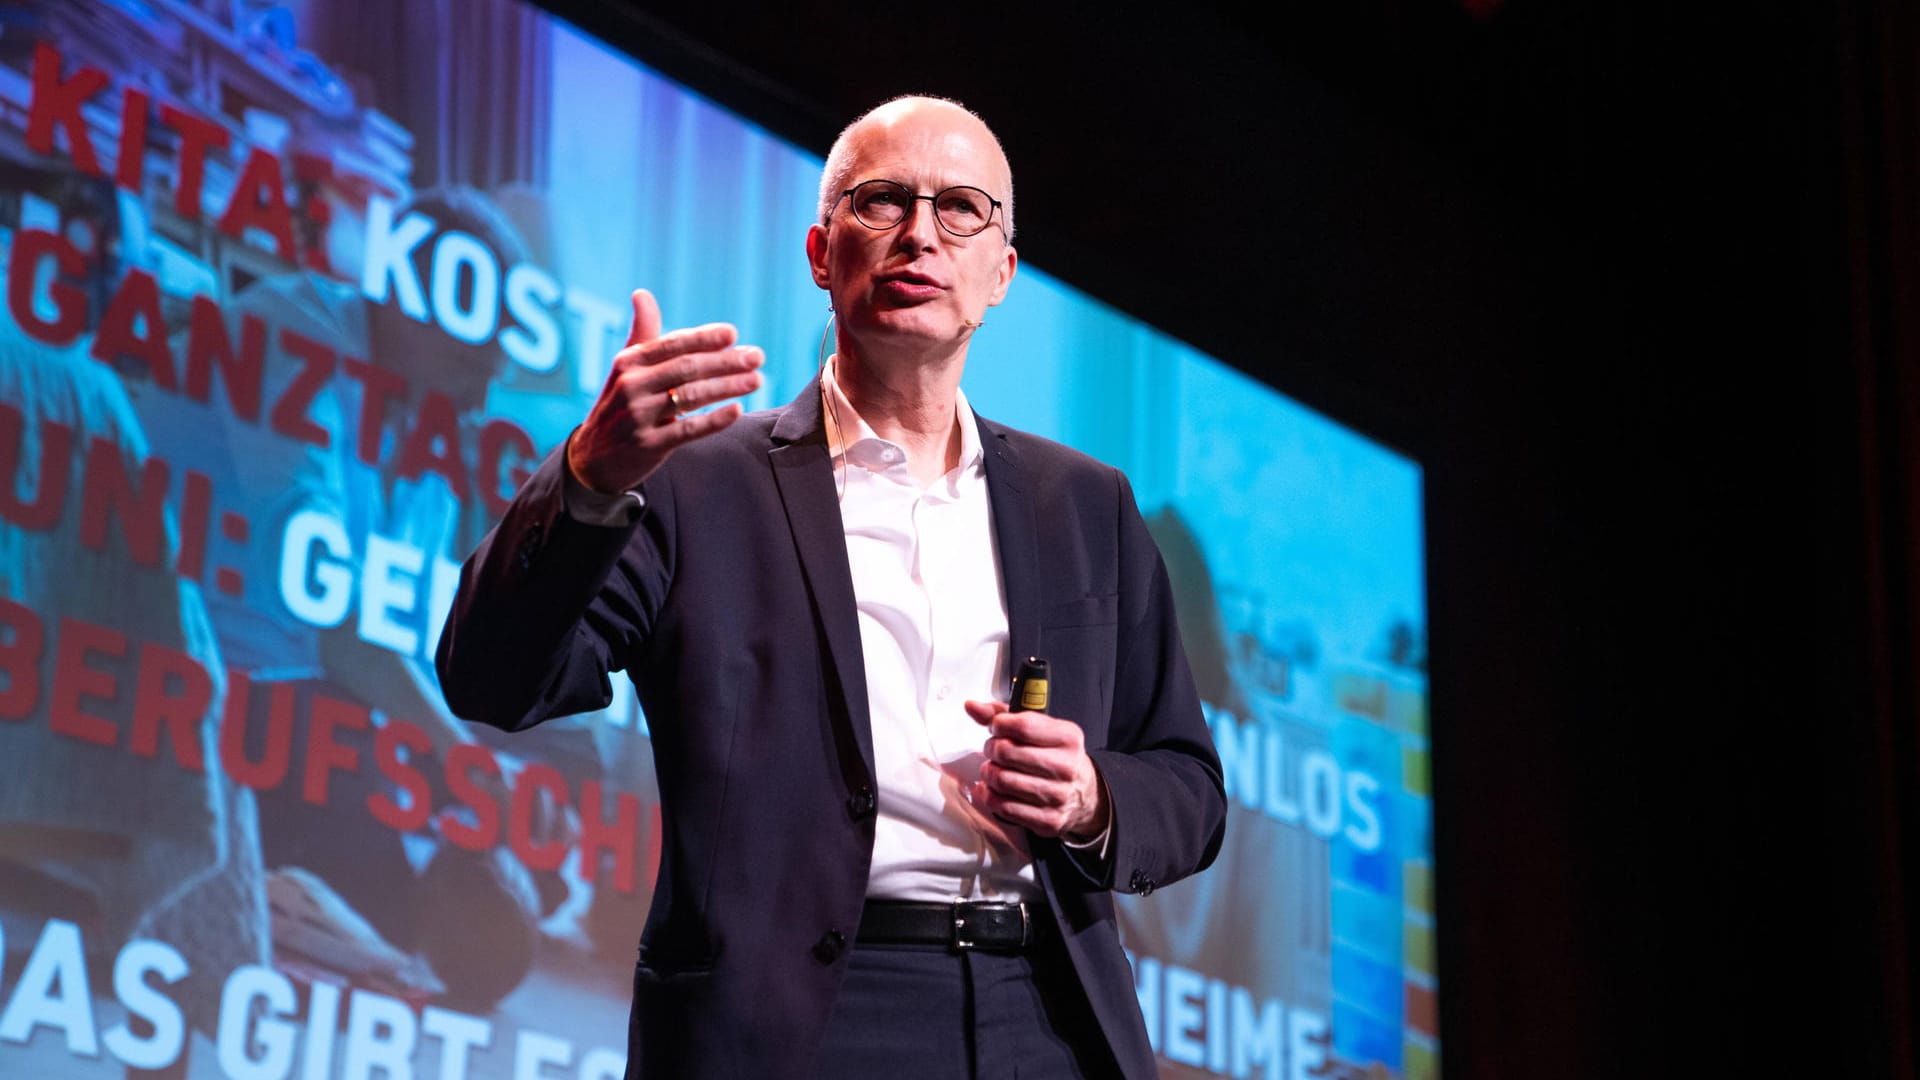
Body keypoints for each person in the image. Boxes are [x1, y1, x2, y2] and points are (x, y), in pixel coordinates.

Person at [437, 95, 1226, 1078]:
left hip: (1044, 1013)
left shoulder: (1088, 506)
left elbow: (1190, 789)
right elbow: (492, 680)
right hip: (800, 1019)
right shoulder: (695, 480)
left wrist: (1093, 796)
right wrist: (591, 478)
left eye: (960, 211)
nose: (919, 235)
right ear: (821, 254)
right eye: (883, 202)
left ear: (1001, 274)